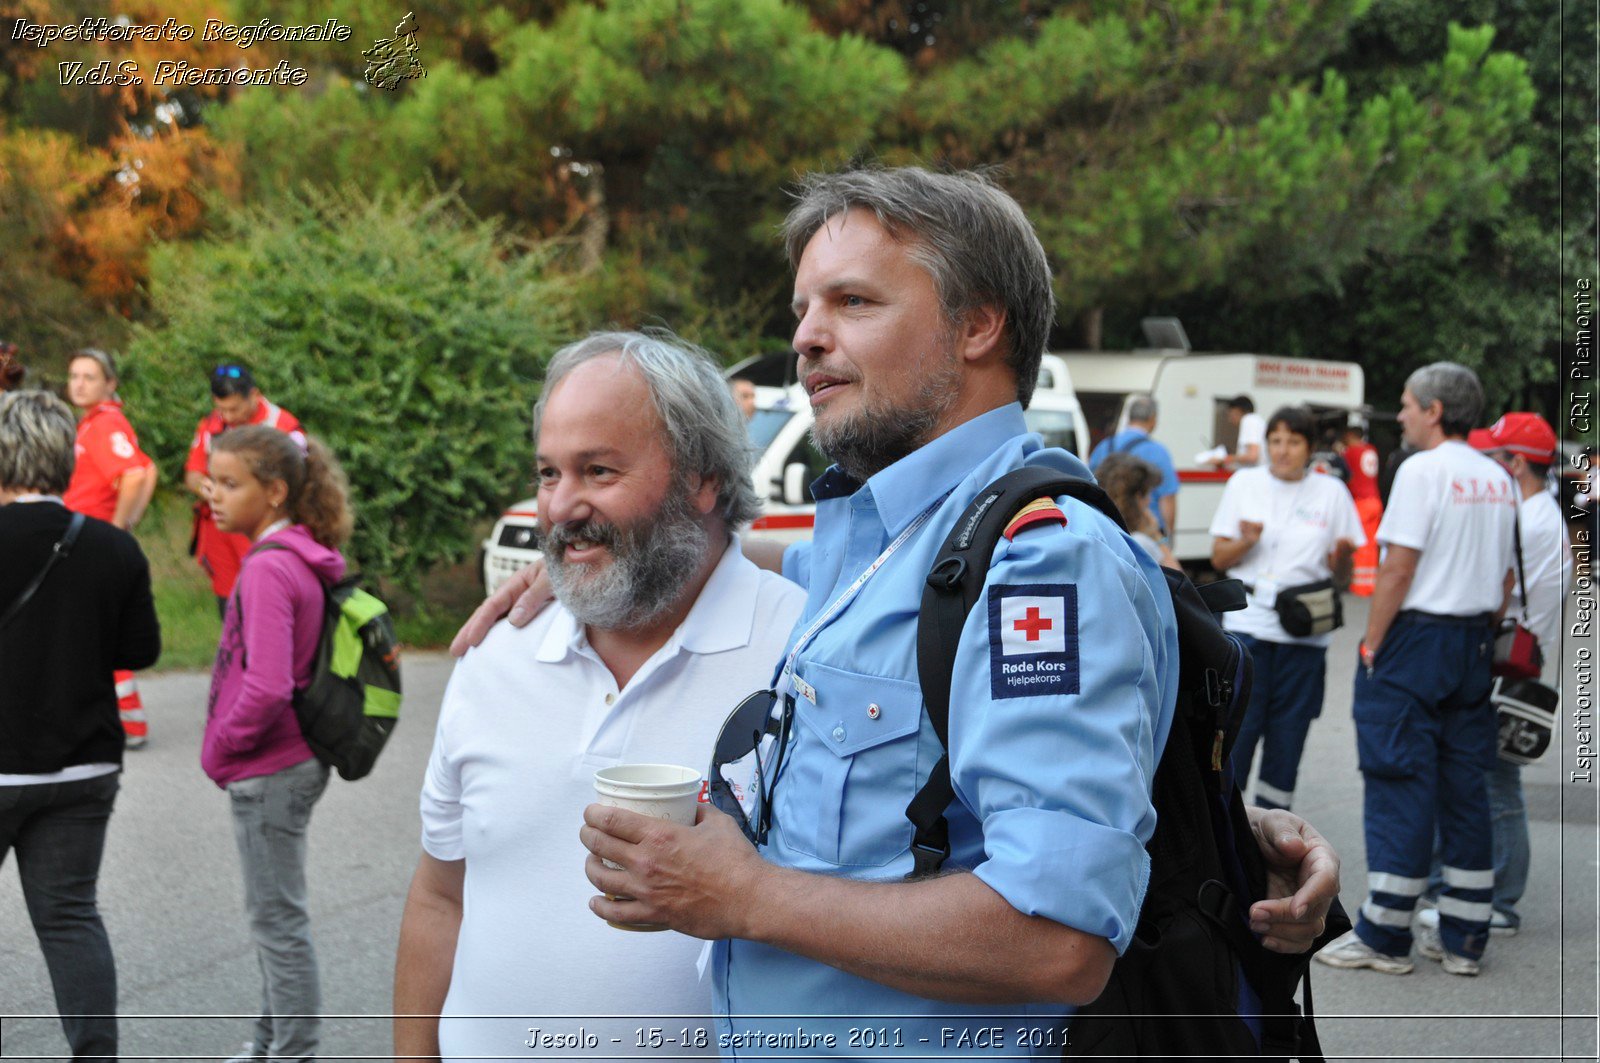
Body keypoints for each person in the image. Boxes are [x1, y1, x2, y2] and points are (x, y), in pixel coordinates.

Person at [456, 168, 1340, 1052]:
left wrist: (745, 897)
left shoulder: (1040, 563)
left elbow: (1057, 939)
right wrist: (596, 553)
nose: (805, 338)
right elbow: (758, 563)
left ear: (978, 324)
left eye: (852, 301)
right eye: (804, 308)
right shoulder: (883, 536)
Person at [392, 331, 805, 1061]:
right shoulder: (498, 651)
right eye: (549, 473)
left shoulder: (801, 651)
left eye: (598, 470)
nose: (560, 506)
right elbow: (440, 896)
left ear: (703, 478)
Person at [1318, 362, 1517, 979]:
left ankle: (1385, 932)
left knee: (1398, 777)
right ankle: (1464, 933)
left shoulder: (1422, 471)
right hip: (1473, 641)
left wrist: (1373, 641)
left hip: (1416, 638)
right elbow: (1507, 577)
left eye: (1406, 404)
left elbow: (1399, 565)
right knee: (1464, 785)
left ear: (1434, 411)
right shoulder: (1497, 476)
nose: (1399, 414)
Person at [0, 389, 162, 1063]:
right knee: (70, 917)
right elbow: (142, 650)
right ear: (66, 459)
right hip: (85, 766)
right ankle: (96, 1054)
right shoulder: (112, 549)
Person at [201, 425, 351, 1063]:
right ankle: (267, 1044)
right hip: (290, 763)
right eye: (213, 481)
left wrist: (221, 749)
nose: (215, 495)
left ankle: (293, 1053)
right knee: (275, 919)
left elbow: (264, 687)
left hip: (268, 768)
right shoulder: (296, 556)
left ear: (276, 491)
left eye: (231, 485)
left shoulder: (268, 570)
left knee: (278, 925)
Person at [1415, 412, 1571, 938]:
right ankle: (1476, 888)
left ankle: (1501, 897)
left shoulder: (1529, 520)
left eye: (1496, 457)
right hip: (1521, 661)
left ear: (1518, 464)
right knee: (1488, 777)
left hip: (1506, 665)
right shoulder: (1542, 513)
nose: (1487, 466)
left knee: (1496, 781)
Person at [1210, 406, 1363, 811]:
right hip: (1248, 632)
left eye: (1293, 442)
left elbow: (1342, 578)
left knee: (1287, 744)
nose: (1282, 450)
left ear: (1309, 448)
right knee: (1237, 741)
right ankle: (1230, 837)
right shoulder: (1244, 483)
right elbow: (1219, 559)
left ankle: (1276, 840)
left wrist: (1344, 557)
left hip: (1303, 639)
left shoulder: (1332, 493)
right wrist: (1246, 542)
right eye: (1275, 441)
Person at [62, 348, 158, 749]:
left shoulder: (104, 424)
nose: (79, 384)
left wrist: (118, 530)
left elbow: (134, 474)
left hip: (89, 541)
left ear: (110, 384)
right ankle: (127, 721)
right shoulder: (94, 423)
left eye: (89, 376)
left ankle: (126, 725)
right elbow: (149, 468)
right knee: (96, 631)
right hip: (88, 538)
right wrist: (127, 526)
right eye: (74, 376)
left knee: (90, 633)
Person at [183, 365, 305, 611]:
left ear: (255, 396)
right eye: (221, 409)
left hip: (263, 529)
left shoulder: (282, 426)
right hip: (221, 532)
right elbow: (193, 473)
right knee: (228, 604)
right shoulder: (210, 425)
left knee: (264, 599)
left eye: (234, 409)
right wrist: (205, 487)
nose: (227, 416)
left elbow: (297, 482)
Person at [1088, 394, 1179, 536]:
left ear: (1130, 417)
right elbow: (1167, 499)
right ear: (1153, 419)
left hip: (1108, 526)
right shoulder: (1158, 452)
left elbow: (1090, 486)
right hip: (1146, 530)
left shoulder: (1104, 446)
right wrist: (1167, 536)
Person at [1095, 451, 1180, 569]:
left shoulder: (1099, 533)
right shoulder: (1140, 543)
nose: (1149, 500)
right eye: (1146, 494)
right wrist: (1157, 537)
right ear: (1136, 497)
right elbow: (1180, 582)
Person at [1337, 422, 1383, 596]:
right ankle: (1369, 583)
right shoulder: (1371, 449)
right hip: (1375, 500)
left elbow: (1344, 472)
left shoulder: (1350, 452)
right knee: (1371, 544)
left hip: (1361, 502)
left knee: (1359, 543)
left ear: (1349, 435)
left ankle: (1358, 585)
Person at [1206, 394, 1266, 469]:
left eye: (1230, 414)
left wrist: (1225, 459)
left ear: (1237, 410)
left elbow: (1252, 456)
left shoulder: (1249, 420)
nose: (1230, 420)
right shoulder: (1257, 421)